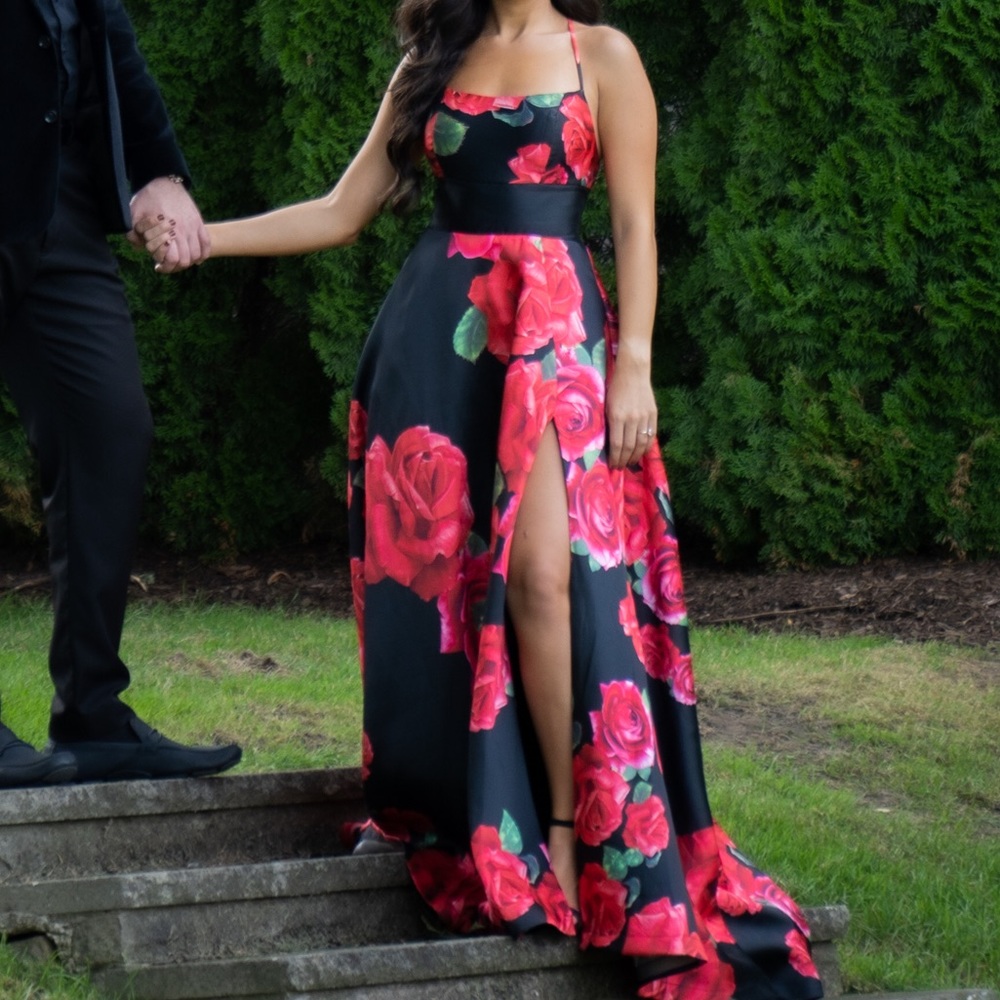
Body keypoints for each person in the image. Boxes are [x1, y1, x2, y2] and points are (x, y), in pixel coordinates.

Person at [137, 0, 823, 995]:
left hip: (554, 329)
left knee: (546, 578)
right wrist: (210, 240)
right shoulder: (436, 56)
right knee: (452, 599)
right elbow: (341, 209)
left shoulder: (604, 56)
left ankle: (557, 832)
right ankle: (480, 815)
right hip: (439, 341)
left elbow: (633, 219)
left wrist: (632, 363)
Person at [0, 0, 242, 788]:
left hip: (57, 197)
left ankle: (94, 716)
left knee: (109, 429)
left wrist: (156, 171)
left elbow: (102, 30)